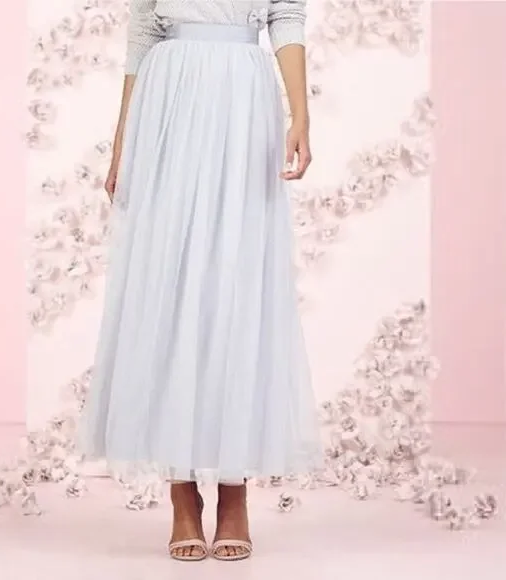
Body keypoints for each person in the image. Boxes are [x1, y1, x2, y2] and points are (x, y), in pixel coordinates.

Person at [77, 0, 322, 562]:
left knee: (238, 287)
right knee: (169, 286)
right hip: (169, 102)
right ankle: (182, 494)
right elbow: (143, 31)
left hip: (244, 100)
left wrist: (301, 116)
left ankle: (235, 492)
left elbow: (286, 14)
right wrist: (122, 142)